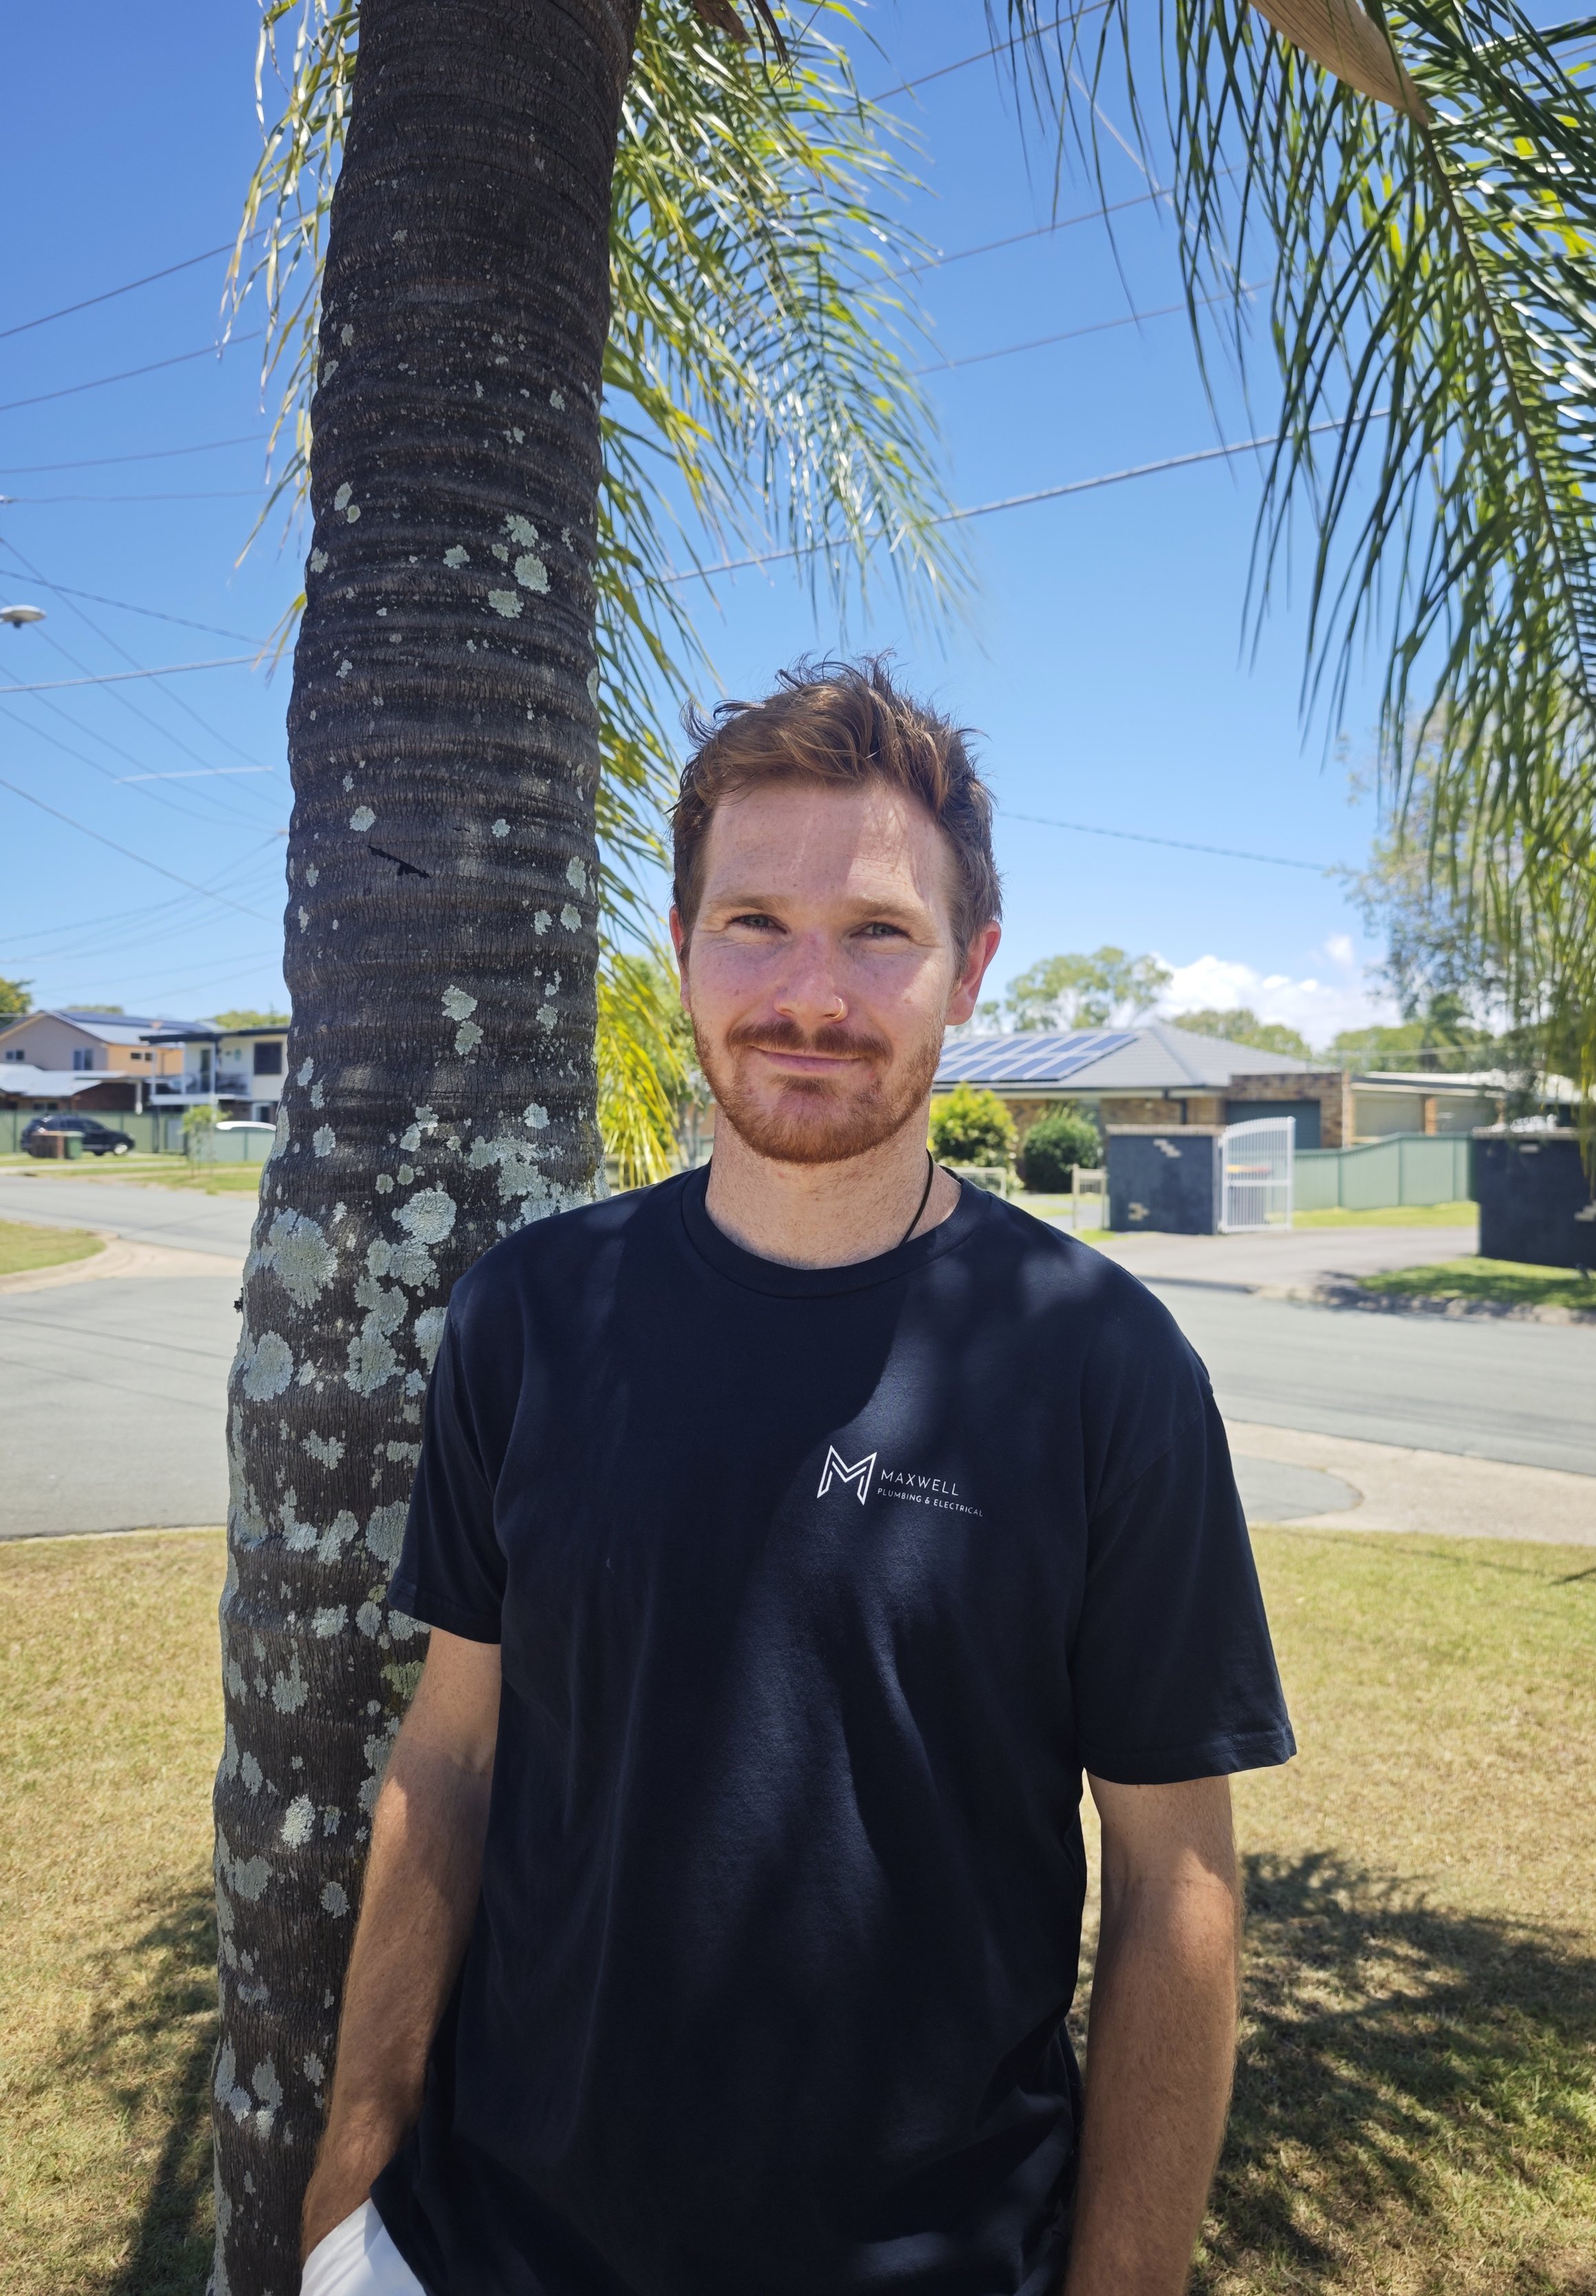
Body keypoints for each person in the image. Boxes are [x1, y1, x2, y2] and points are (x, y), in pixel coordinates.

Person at [300, 658, 1295, 2296]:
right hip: (486, 2249)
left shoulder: (1100, 1365)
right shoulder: (530, 1316)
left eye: (879, 933)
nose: (808, 993)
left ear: (968, 970)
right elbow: (452, 1756)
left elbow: (1175, 1871)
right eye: (753, 919)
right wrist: (353, 2173)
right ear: (681, 945)